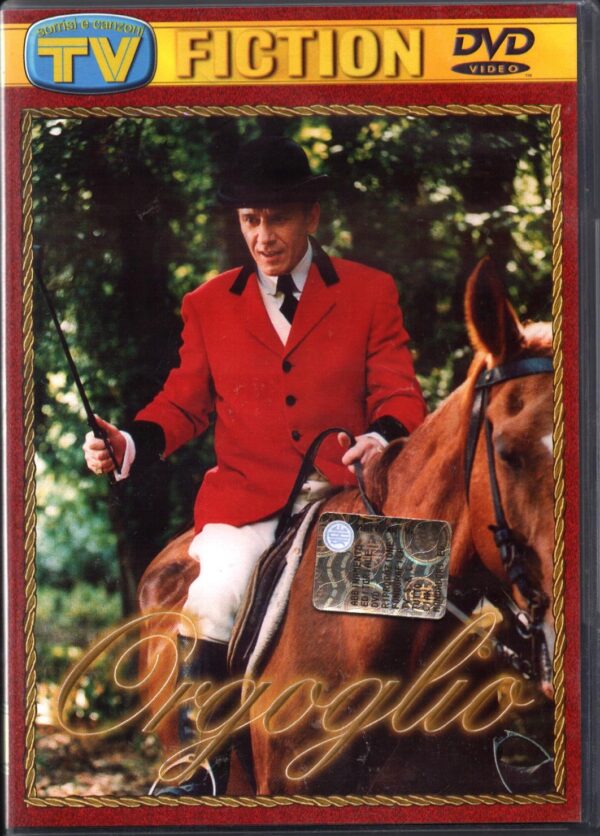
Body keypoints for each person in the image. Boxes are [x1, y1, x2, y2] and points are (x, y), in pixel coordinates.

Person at [83, 135, 426, 795]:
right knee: (213, 597)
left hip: (348, 495)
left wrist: (381, 436)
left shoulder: (370, 291)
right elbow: (182, 403)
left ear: (311, 216)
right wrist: (127, 443)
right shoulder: (208, 303)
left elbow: (399, 395)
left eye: (278, 219)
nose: (263, 237)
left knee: (425, 602)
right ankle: (202, 768)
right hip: (248, 506)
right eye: (250, 220)